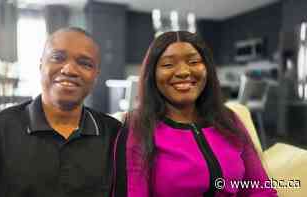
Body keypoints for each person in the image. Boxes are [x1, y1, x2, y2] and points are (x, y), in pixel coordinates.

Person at [0, 27, 121, 197]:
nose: (70, 70)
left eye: (85, 63)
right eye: (58, 58)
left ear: (96, 75)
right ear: (41, 64)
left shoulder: (115, 135)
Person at [112, 31, 277, 196]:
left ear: (207, 69)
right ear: (152, 74)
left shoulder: (229, 119)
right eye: (168, 65)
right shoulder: (138, 126)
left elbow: (261, 188)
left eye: (194, 61)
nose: (183, 71)